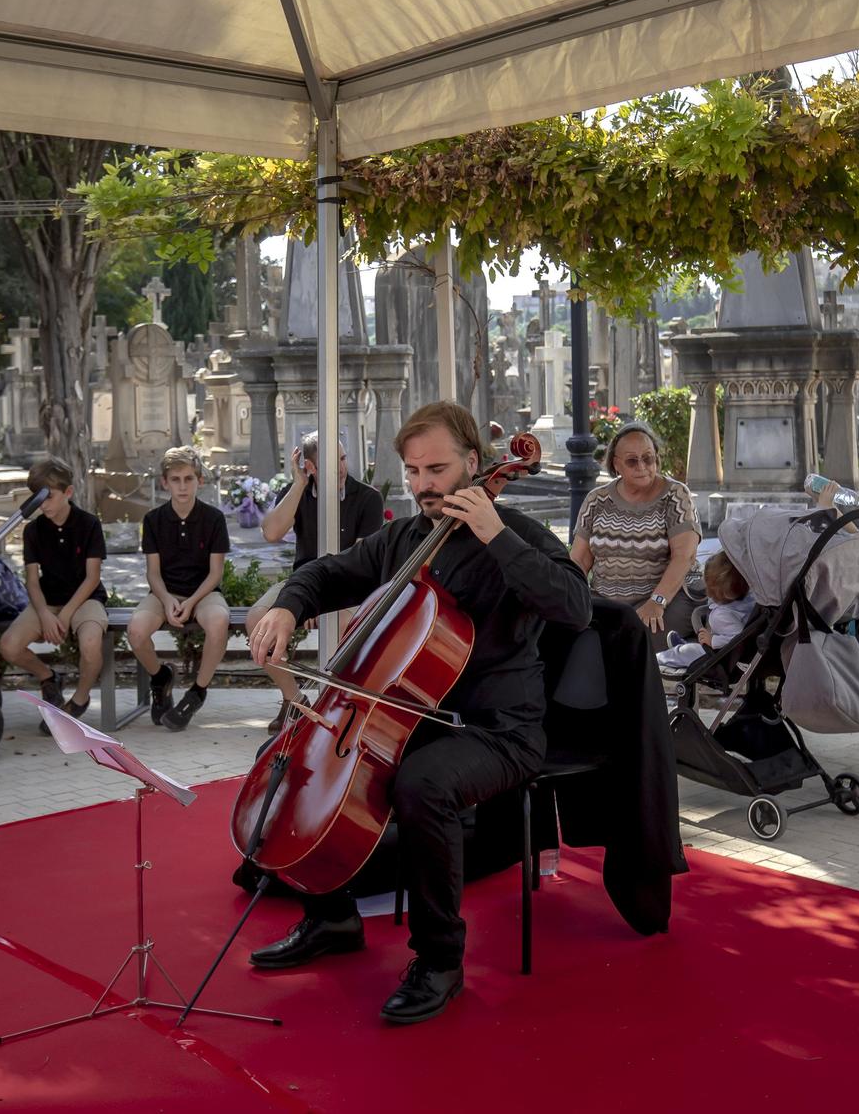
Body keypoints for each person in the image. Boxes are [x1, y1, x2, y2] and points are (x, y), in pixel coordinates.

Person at [246, 401, 592, 1025]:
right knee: (310, 763)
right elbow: (328, 573)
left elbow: (575, 607)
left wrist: (496, 535)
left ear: (473, 463)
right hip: (412, 720)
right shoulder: (406, 539)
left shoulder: (517, 534)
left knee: (422, 783)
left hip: (497, 730)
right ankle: (332, 917)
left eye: (437, 469)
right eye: (412, 472)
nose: (424, 485)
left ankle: (439, 960)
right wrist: (288, 606)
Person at [245, 432, 386, 727]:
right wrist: (298, 484)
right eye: (332, 462)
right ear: (310, 466)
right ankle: (295, 701)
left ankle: (338, 707)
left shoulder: (368, 498)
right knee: (257, 618)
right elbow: (271, 533)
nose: (341, 468)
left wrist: (320, 601)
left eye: (343, 458)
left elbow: (364, 562)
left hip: (350, 586)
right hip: (302, 583)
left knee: (346, 624)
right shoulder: (298, 490)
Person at [0, 459, 110, 733]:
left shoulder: (88, 524)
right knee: (9, 646)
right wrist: (46, 615)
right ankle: (48, 677)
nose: (43, 504)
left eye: (49, 496)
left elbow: (92, 577)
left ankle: (80, 700)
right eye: (37, 498)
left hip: (85, 599)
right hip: (47, 601)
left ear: (68, 493)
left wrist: (67, 614)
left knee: (92, 641)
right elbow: (33, 582)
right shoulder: (33, 530)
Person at [128, 447, 231, 731]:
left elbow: (215, 574)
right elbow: (153, 573)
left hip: (204, 593)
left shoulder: (213, 518)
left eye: (188, 478)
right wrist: (167, 599)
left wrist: (191, 602)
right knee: (136, 631)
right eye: (176, 479)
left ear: (199, 480)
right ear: (165, 482)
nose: (182, 486)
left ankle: (197, 692)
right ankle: (160, 676)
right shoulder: (153, 520)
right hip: (164, 593)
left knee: (219, 621)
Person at [570, 422, 698, 650]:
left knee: (633, 643)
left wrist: (657, 601)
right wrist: (574, 601)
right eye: (632, 461)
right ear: (616, 464)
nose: (642, 466)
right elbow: (579, 560)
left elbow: (684, 557)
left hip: (664, 598)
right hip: (606, 600)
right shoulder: (596, 500)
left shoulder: (676, 496)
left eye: (648, 458)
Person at [656, 549, 753, 675]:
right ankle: (683, 646)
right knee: (695, 646)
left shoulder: (720, 616)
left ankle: (659, 658)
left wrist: (713, 640)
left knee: (686, 652)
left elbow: (738, 638)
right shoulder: (750, 599)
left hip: (720, 658)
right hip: (738, 655)